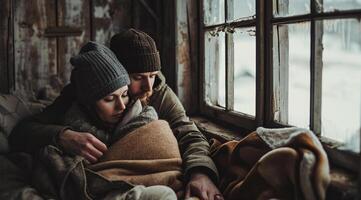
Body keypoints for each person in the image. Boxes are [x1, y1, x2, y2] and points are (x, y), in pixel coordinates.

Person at [10, 29, 223, 200]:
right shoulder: (83, 90)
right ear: (117, 70)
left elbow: (188, 132)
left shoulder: (158, 91)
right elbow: (24, 131)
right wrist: (62, 135)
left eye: (152, 75)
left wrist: (200, 172)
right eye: (138, 76)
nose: (148, 86)